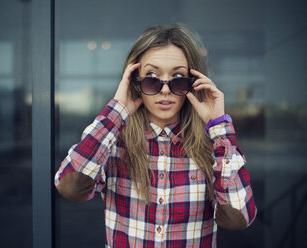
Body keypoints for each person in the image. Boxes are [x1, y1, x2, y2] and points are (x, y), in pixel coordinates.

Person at [54, 24, 257, 248]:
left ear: (193, 83)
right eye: (151, 77)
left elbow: (239, 216)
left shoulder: (214, 149)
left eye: (178, 77)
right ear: (135, 82)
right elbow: (70, 186)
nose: (165, 89)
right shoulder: (113, 142)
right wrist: (117, 111)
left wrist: (218, 127)